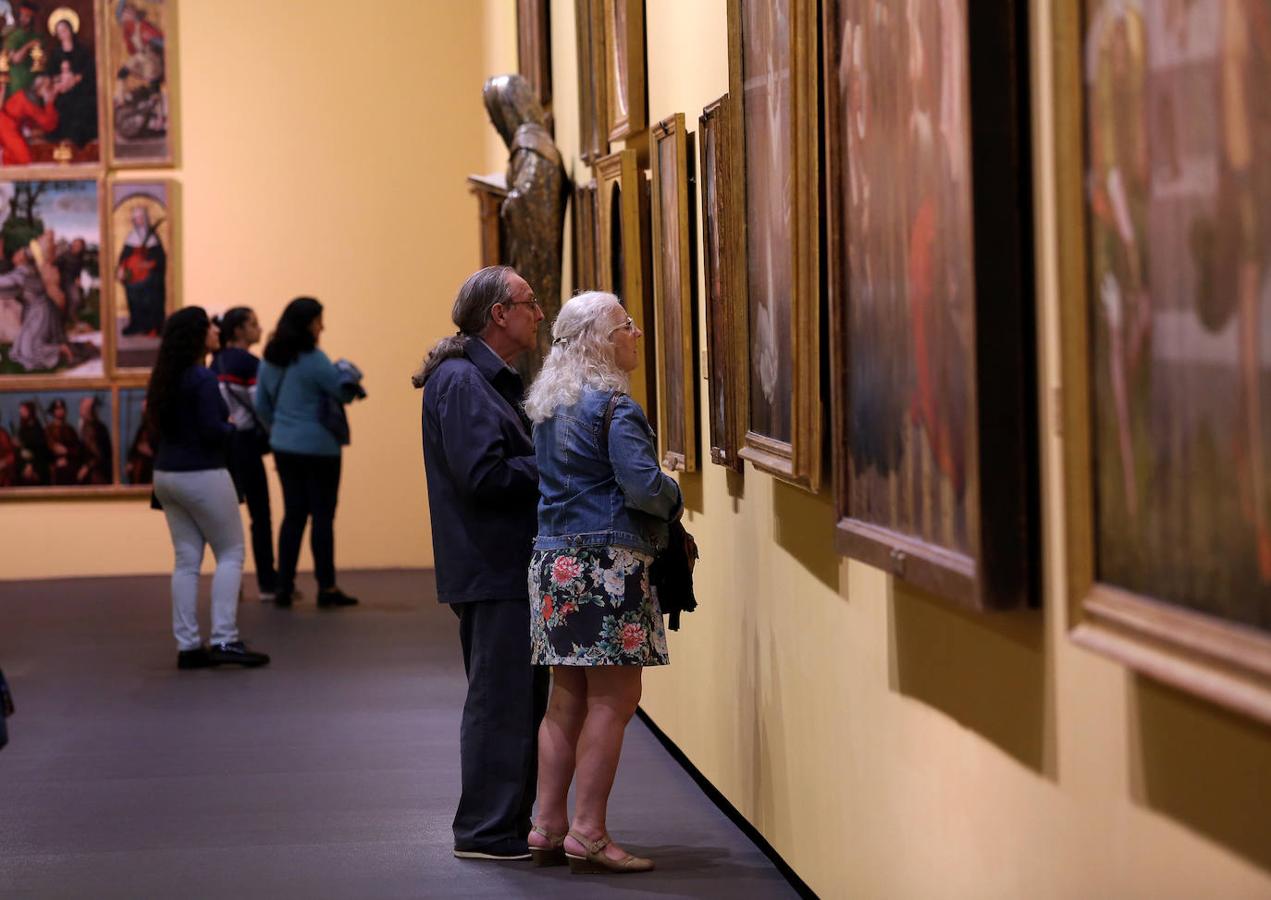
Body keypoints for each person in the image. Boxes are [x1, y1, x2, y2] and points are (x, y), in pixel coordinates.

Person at [522, 291, 682, 875]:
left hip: (553, 565)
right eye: (626, 325)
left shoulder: (549, 406)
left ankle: (547, 825)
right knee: (615, 700)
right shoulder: (613, 406)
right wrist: (676, 497)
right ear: (599, 339)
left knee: (565, 700)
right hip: (606, 569)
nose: (636, 333)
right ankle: (587, 831)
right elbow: (643, 487)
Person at [413, 264, 549, 861]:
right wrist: (559, 467)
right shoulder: (463, 382)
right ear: (498, 314)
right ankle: (488, 830)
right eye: (530, 302)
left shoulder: (481, 378)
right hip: (493, 565)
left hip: (501, 563)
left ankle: (506, 825)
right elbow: (484, 476)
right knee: (501, 702)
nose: (539, 313)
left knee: (516, 700)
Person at [146, 306, 269, 669]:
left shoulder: (165, 377)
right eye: (210, 326)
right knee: (231, 552)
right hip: (203, 472)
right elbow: (212, 430)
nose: (217, 330)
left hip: (166, 476)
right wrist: (230, 426)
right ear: (199, 335)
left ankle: (188, 646)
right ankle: (225, 638)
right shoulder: (201, 378)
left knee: (186, 560)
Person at [255, 297, 361, 608]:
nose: (322, 326)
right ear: (306, 324)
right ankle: (326, 588)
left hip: (285, 447)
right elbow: (342, 392)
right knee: (323, 517)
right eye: (318, 321)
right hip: (321, 449)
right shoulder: (314, 360)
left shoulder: (271, 359)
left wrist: (280, 429)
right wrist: (350, 374)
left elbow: (261, 404)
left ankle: (283, 587)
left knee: (293, 516)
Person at [211, 306, 277, 602]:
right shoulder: (251, 363)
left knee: (227, 514)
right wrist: (273, 432)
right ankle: (267, 583)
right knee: (260, 513)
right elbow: (260, 405)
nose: (259, 328)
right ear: (238, 330)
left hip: (224, 444)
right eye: (253, 323)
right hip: (248, 442)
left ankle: (231, 583)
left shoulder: (216, 362)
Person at [47, 9, 98, 148]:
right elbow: (51, 73)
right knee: (61, 104)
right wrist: (61, 80)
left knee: (83, 105)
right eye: (59, 31)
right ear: (57, 34)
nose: (63, 32)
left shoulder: (82, 50)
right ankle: (64, 138)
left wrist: (76, 78)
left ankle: (78, 139)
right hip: (63, 89)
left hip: (81, 88)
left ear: (71, 30)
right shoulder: (56, 53)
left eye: (65, 29)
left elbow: (90, 70)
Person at [116, 204, 166, 336]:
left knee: (150, 298)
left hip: (150, 279)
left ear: (145, 218)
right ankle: (136, 325)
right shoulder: (131, 236)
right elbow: (123, 257)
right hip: (133, 277)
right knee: (133, 297)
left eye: (141, 218)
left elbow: (160, 259)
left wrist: (149, 264)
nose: (139, 221)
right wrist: (121, 270)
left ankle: (151, 327)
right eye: (136, 219)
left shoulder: (153, 237)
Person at [0, 71, 60, 165]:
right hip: (6, 126)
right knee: (24, 158)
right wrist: (49, 102)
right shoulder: (29, 101)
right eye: (47, 87)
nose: (49, 89)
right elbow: (48, 124)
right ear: (40, 87)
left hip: (10, 125)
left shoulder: (28, 96)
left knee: (12, 156)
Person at [2, 2, 41, 102]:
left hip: (33, 84)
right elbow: (15, 59)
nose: (23, 19)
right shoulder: (13, 36)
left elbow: (42, 61)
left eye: (27, 16)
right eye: (22, 15)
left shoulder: (37, 36)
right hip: (17, 83)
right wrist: (28, 46)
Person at [44, 397, 81, 486]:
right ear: (53, 411)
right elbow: (44, 451)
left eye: (62, 408)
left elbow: (77, 449)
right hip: (54, 469)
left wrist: (67, 451)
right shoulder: (48, 430)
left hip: (70, 467)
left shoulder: (70, 430)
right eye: (57, 409)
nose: (60, 411)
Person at [76, 394, 111, 485]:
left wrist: (87, 467)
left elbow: (99, 455)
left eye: (84, 408)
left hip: (97, 475)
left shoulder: (97, 428)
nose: (81, 411)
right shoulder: (84, 426)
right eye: (81, 407)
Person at [15, 399, 49, 485]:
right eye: (21, 410)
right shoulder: (22, 429)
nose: (21, 412)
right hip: (23, 463)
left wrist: (31, 465)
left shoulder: (37, 428)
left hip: (37, 464)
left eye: (23, 410)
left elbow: (40, 450)